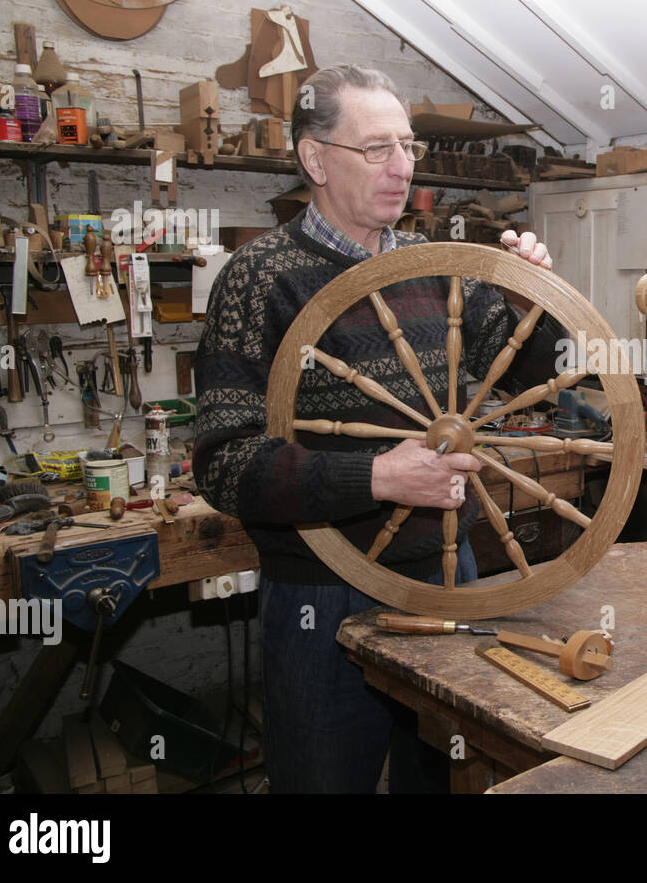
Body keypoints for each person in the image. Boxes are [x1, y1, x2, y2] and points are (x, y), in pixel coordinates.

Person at [193, 65, 560, 792]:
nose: (403, 169)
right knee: (325, 783)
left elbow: (518, 381)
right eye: (376, 149)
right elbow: (225, 465)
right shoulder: (259, 277)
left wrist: (530, 307)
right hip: (322, 594)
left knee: (446, 777)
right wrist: (377, 477)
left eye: (408, 146)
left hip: (449, 572)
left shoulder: (438, 266)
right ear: (315, 158)